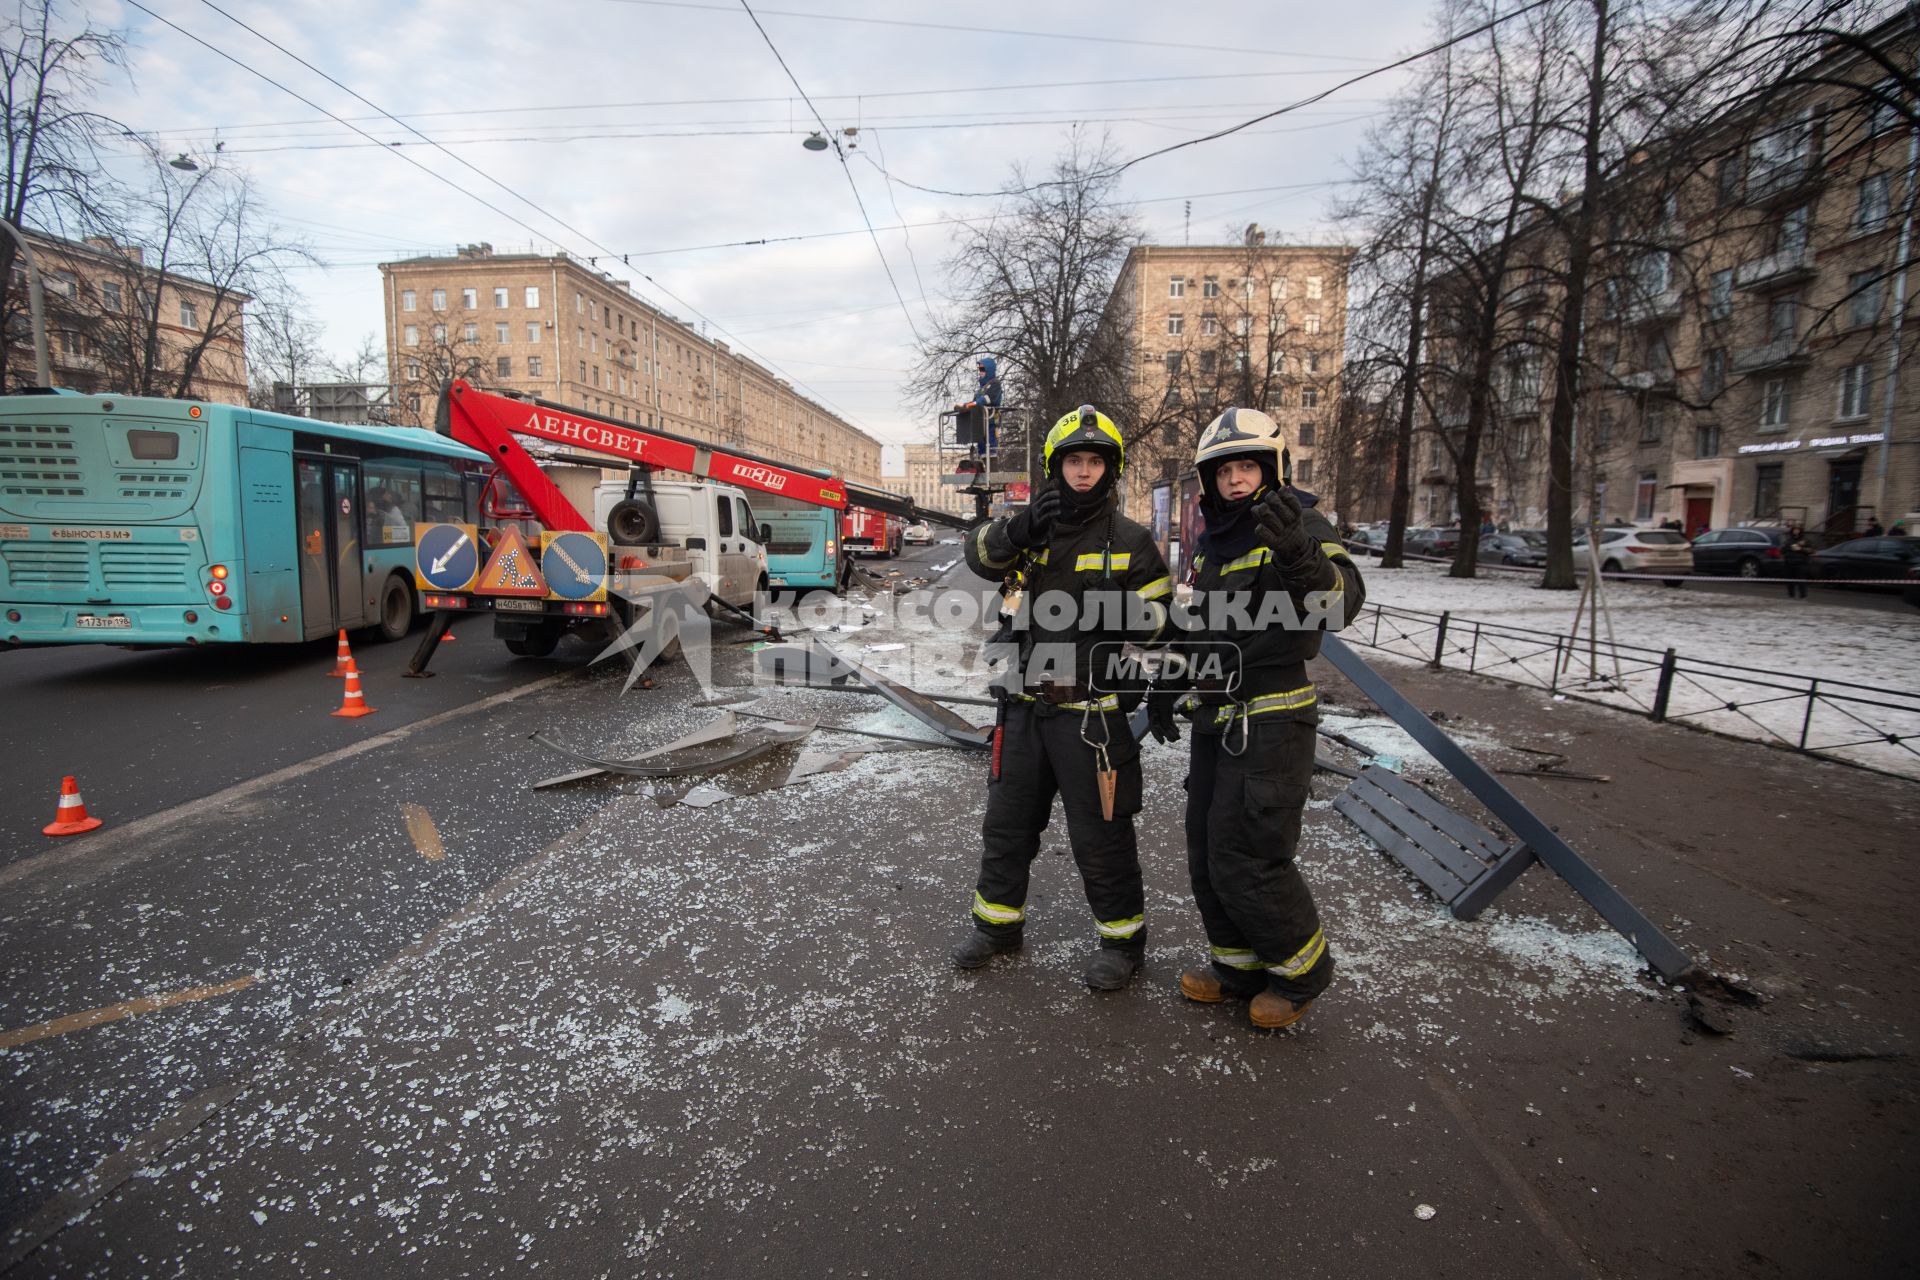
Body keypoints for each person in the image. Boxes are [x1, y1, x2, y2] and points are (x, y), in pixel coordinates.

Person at [1145, 408, 1366, 1031]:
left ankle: (1300, 975)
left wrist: (1297, 550)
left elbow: (1339, 604)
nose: (1237, 480)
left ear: (1272, 470)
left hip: (1272, 721)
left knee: (1250, 855)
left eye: (1248, 466)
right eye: (1225, 470)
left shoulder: (1300, 523)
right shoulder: (1216, 541)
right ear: (1209, 480)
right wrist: (1168, 681)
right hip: (1219, 719)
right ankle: (1238, 967)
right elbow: (1206, 630)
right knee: (1207, 851)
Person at [954, 406, 1173, 991]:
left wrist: (1115, 608)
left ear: (1110, 468)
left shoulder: (1131, 540)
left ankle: (1123, 944)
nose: (1083, 471)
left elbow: (1160, 621)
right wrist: (1016, 529)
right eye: (1073, 460)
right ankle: (998, 927)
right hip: (1023, 709)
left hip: (1092, 719)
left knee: (1102, 835)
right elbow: (977, 557)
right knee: (1007, 826)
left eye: (1094, 461)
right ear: (1057, 466)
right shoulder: (1032, 528)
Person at [1783, 524, 1812, 599]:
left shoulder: (1805, 540)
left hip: (1801, 563)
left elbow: (1812, 550)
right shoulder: (1789, 541)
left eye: (1798, 529)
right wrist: (1787, 557)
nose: (1796, 531)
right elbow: (1784, 550)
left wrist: (1801, 549)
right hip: (1790, 563)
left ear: (1800, 531)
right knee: (1790, 581)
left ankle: (1803, 596)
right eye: (1794, 529)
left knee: (1801, 580)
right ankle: (1791, 595)